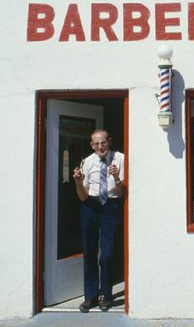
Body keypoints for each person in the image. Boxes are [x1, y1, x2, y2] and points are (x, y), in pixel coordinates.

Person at [72, 129, 125, 313]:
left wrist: (117, 177)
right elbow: (82, 197)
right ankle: (91, 296)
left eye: (103, 142)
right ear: (91, 145)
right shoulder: (87, 162)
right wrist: (78, 183)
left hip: (110, 205)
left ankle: (106, 295)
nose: (100, 146)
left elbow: (120, 193)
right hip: (90, 206)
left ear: (109, 141)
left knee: (107, 253)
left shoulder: (120, 158)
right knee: (89, 251)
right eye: (96, 144)